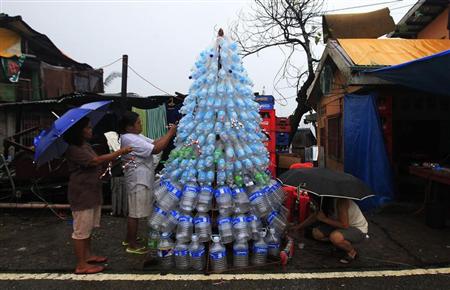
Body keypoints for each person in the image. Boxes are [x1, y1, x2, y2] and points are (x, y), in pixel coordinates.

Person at [64, 117, 133, 274]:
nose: (91, 130)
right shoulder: (74, 149)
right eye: (87, 128)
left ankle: (87, 256)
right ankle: (81, 265)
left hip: (92, 191)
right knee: (81, 230)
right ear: (79, 131)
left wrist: (113, 160)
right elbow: (94, 161)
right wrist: (119, 152)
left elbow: (98, 161)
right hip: (82, 193)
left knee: (88, 227)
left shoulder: (85, 145)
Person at [120, 111, 177, 254]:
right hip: (138, 180)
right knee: (135, 213)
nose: (141, 124)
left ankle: (129, 238)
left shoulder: (135, 136)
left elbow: (153, 143)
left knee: (136, 211)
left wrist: (168, 133)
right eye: (138, 123)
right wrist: (171, 133)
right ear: (129, 127)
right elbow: (156, 148)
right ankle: (132, 245)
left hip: (142, 178)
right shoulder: (129, 139)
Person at [290, 197, 368, 264]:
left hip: (357, 229)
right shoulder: (324, 201)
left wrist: (324, 219)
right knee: (316, 233)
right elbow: (315, 216)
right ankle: (340, 244)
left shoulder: (341, 202)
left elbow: (345, 225)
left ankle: (351, 251)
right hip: (340, 225)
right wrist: (298, 227)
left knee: (335, 237)